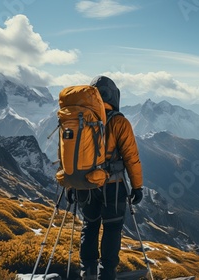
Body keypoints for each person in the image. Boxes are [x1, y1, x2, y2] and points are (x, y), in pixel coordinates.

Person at [74, 75, 143, 280]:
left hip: (83, 185)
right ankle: (107, 274)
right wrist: (137, 186)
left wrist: (71, 185)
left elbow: (69, 156)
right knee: (112, 228)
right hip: (112, 186)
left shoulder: (78, 119)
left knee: (90, 225)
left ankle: (88, 272)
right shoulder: (119, 122)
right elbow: (131, 157)